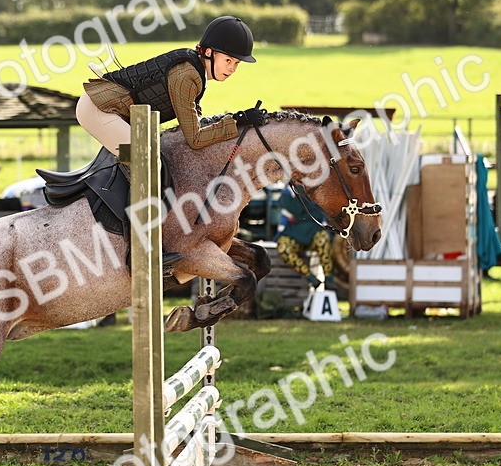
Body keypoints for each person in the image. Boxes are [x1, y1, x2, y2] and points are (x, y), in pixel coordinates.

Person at [76, 15, 265, 158]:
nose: (232, 68)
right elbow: (195, 139)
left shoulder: (196, 71)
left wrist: (237, 119)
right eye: (228, 60)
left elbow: (196, 125)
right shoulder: (186, 76)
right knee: (146, 158)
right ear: (208, 52)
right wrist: (237, 121)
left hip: (110, 109)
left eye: (237, 63)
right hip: (98, 109)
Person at [274, 187, 336, 289]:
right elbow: (287, 209)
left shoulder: (317, 191)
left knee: (324, 239)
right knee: (283, 248)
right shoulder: (287, 193)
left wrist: (298, 217)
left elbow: (319, 214)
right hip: (292, 232)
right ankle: (310, 278)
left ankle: (328, 279)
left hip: (314, 231)